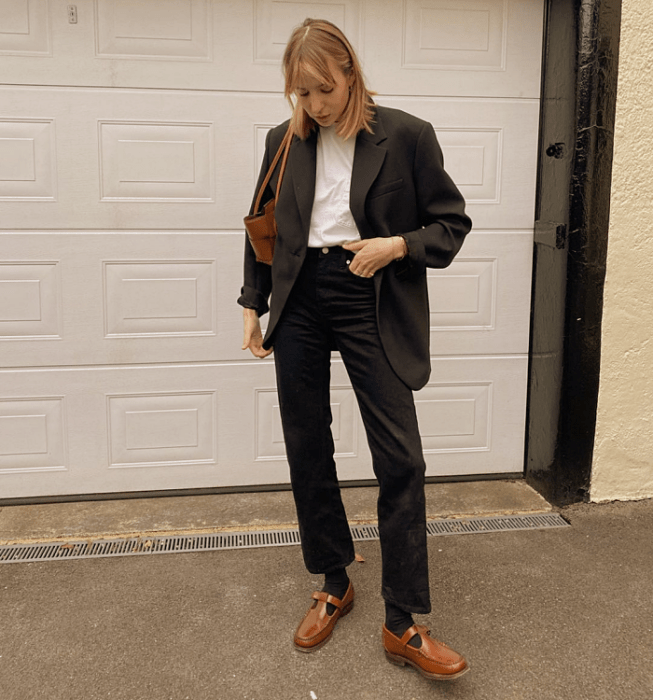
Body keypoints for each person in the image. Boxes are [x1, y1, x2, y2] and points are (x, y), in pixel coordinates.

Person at [239, 18, 472, 681]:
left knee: (400, 457)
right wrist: (252, 306)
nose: (312, 105)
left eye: (322, 89)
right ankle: (334, 579)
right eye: (300, 94)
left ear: (349, 72)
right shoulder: (282, 140)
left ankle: (404, 621)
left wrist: (395, 245)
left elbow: (450, 224)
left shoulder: (405, 135)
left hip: (370, 291)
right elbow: (263, 227)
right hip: (300, 297)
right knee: (306, 445)